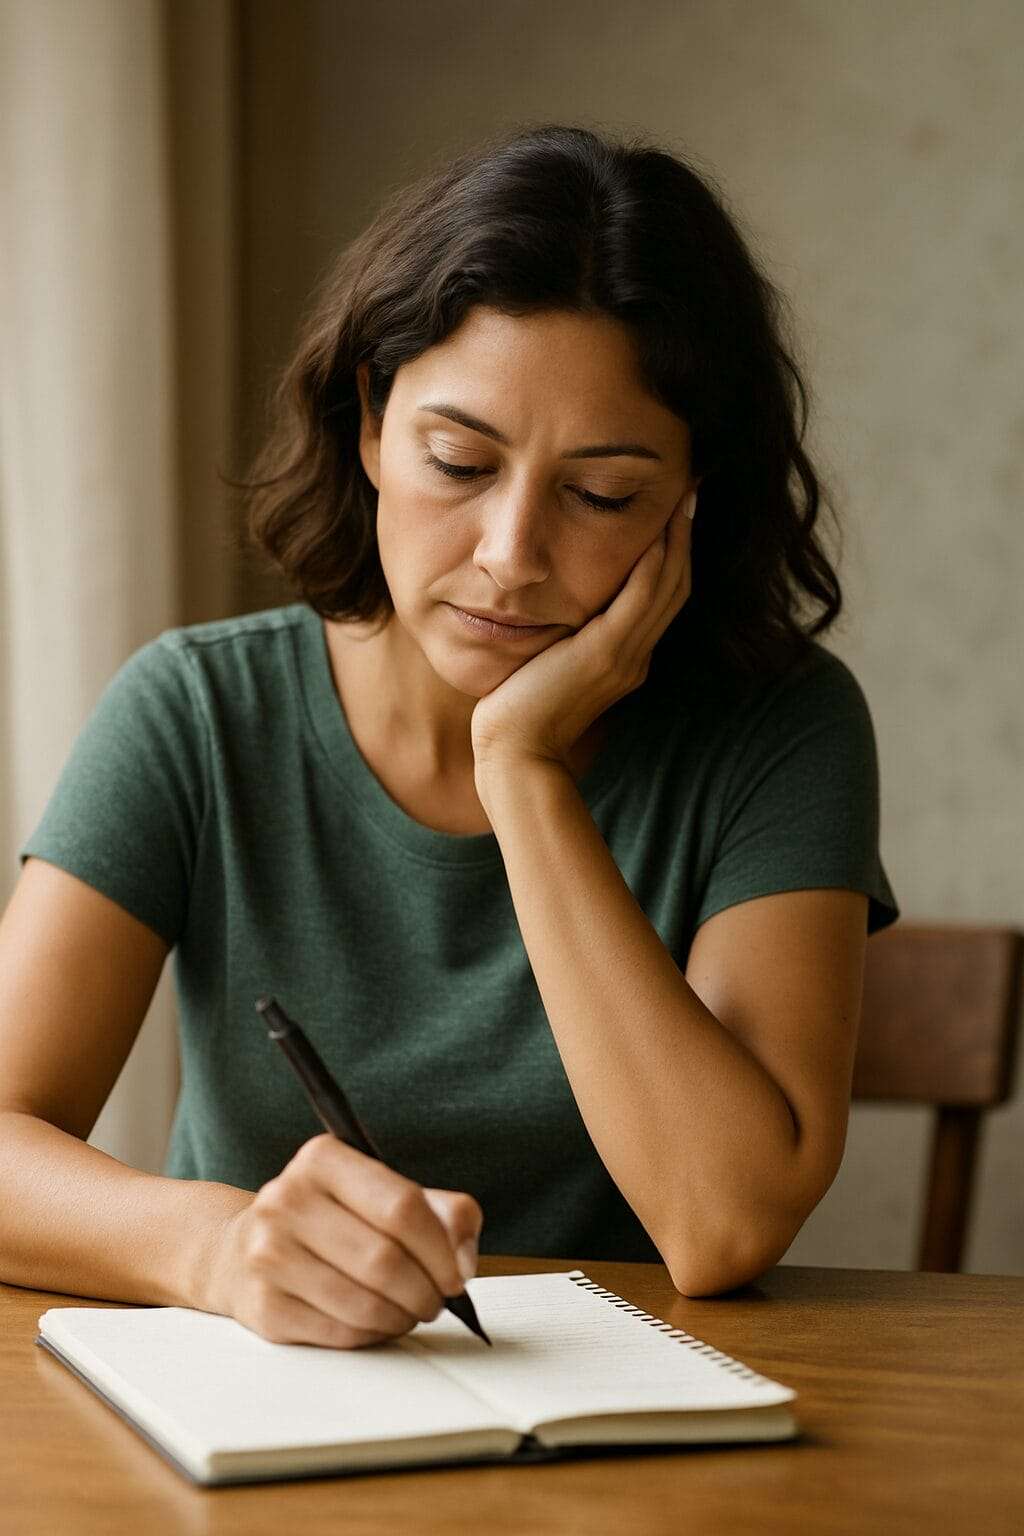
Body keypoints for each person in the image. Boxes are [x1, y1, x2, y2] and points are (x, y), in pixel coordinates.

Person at [0, 123, 897, 1348]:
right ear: (372, 423)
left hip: (623, 1447)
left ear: (696, 496)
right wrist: (211, 1249)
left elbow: (723, 1223)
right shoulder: (200, 710)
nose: (510, 556)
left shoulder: (779, 732)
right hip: (269, 1406)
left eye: (603, 495)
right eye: (458, 460)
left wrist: (520, 770)